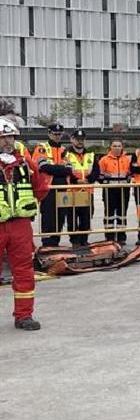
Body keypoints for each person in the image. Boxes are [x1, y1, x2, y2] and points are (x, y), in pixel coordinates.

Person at [1, 119, 49, 330]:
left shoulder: (25, 164)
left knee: (23, 271)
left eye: (10, 137)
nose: (7, 142)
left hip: (20, 225)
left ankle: (24, 315)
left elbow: (40, 188)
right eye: (2, 138)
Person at [32, 123, 70, 247]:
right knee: (48, 218)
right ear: (49, 133)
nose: (58, 136)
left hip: (63, 189)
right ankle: (47, 245)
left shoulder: (65, 150)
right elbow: (43, 167)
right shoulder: (42, 148)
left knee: (60, 217)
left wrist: (55, 168)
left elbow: (69, 169)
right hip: (47, 190)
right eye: (55, 134)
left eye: (60, 134)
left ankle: (56, 244)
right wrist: (61, 169)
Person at [62, 129, 96, 246]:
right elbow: (65, 170)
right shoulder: (66, 154)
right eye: (77, 139)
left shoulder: (90, 154)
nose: (80, 142)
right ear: (72, 140)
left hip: (87, 191)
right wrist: (76, 180)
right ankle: (75, 240)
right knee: (72, 218)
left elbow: (96, 170)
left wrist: (90, 179)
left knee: (86, 216)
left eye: (82, 139)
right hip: (72, 191)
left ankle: (84, 239)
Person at [96, 140, 134, 244]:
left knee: (122, 214)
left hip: (123, 190)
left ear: (122, 147)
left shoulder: (127, 160)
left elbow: (131, 173)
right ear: (110, 147)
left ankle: (121, 237)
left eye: (119, 146)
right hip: (109, 190)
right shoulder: (104, 160)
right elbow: (99, 175)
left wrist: (128, 180)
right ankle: (110, 237)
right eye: (114, 146)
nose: (117, 148)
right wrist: (105, 182)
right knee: (109, 214)